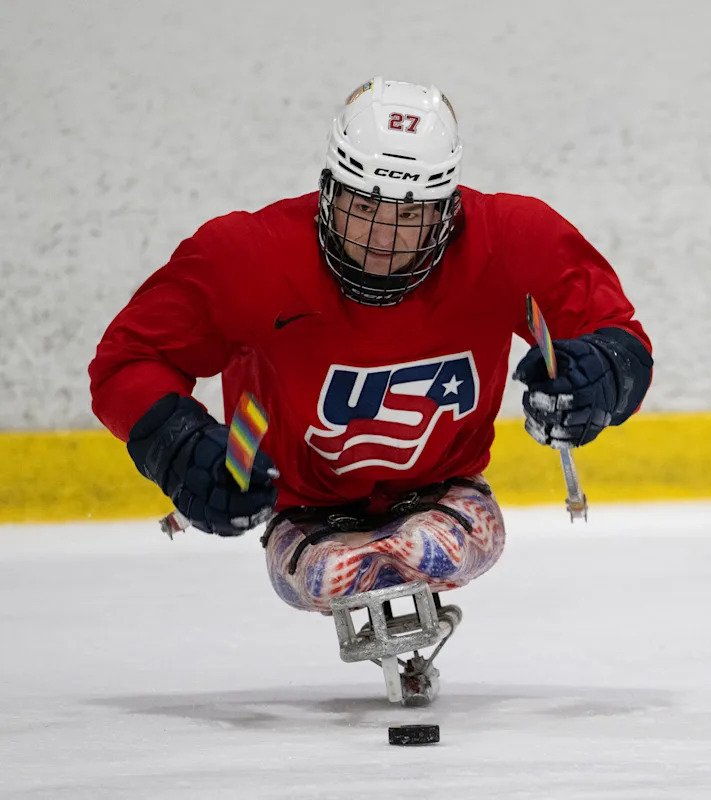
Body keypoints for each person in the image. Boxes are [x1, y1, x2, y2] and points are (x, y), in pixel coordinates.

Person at [89, 78, 653, 615]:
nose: (381, 241)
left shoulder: (510, 240)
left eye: (409, 215)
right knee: (330, 572)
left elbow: (617, 333)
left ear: (447, 209)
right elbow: (128, 359)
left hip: (446, 493)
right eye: (364, 207)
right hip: (303, 508)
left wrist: (598, 375)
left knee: (426, 551)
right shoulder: (249, 257)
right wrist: (181, 447)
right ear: (328, 188)